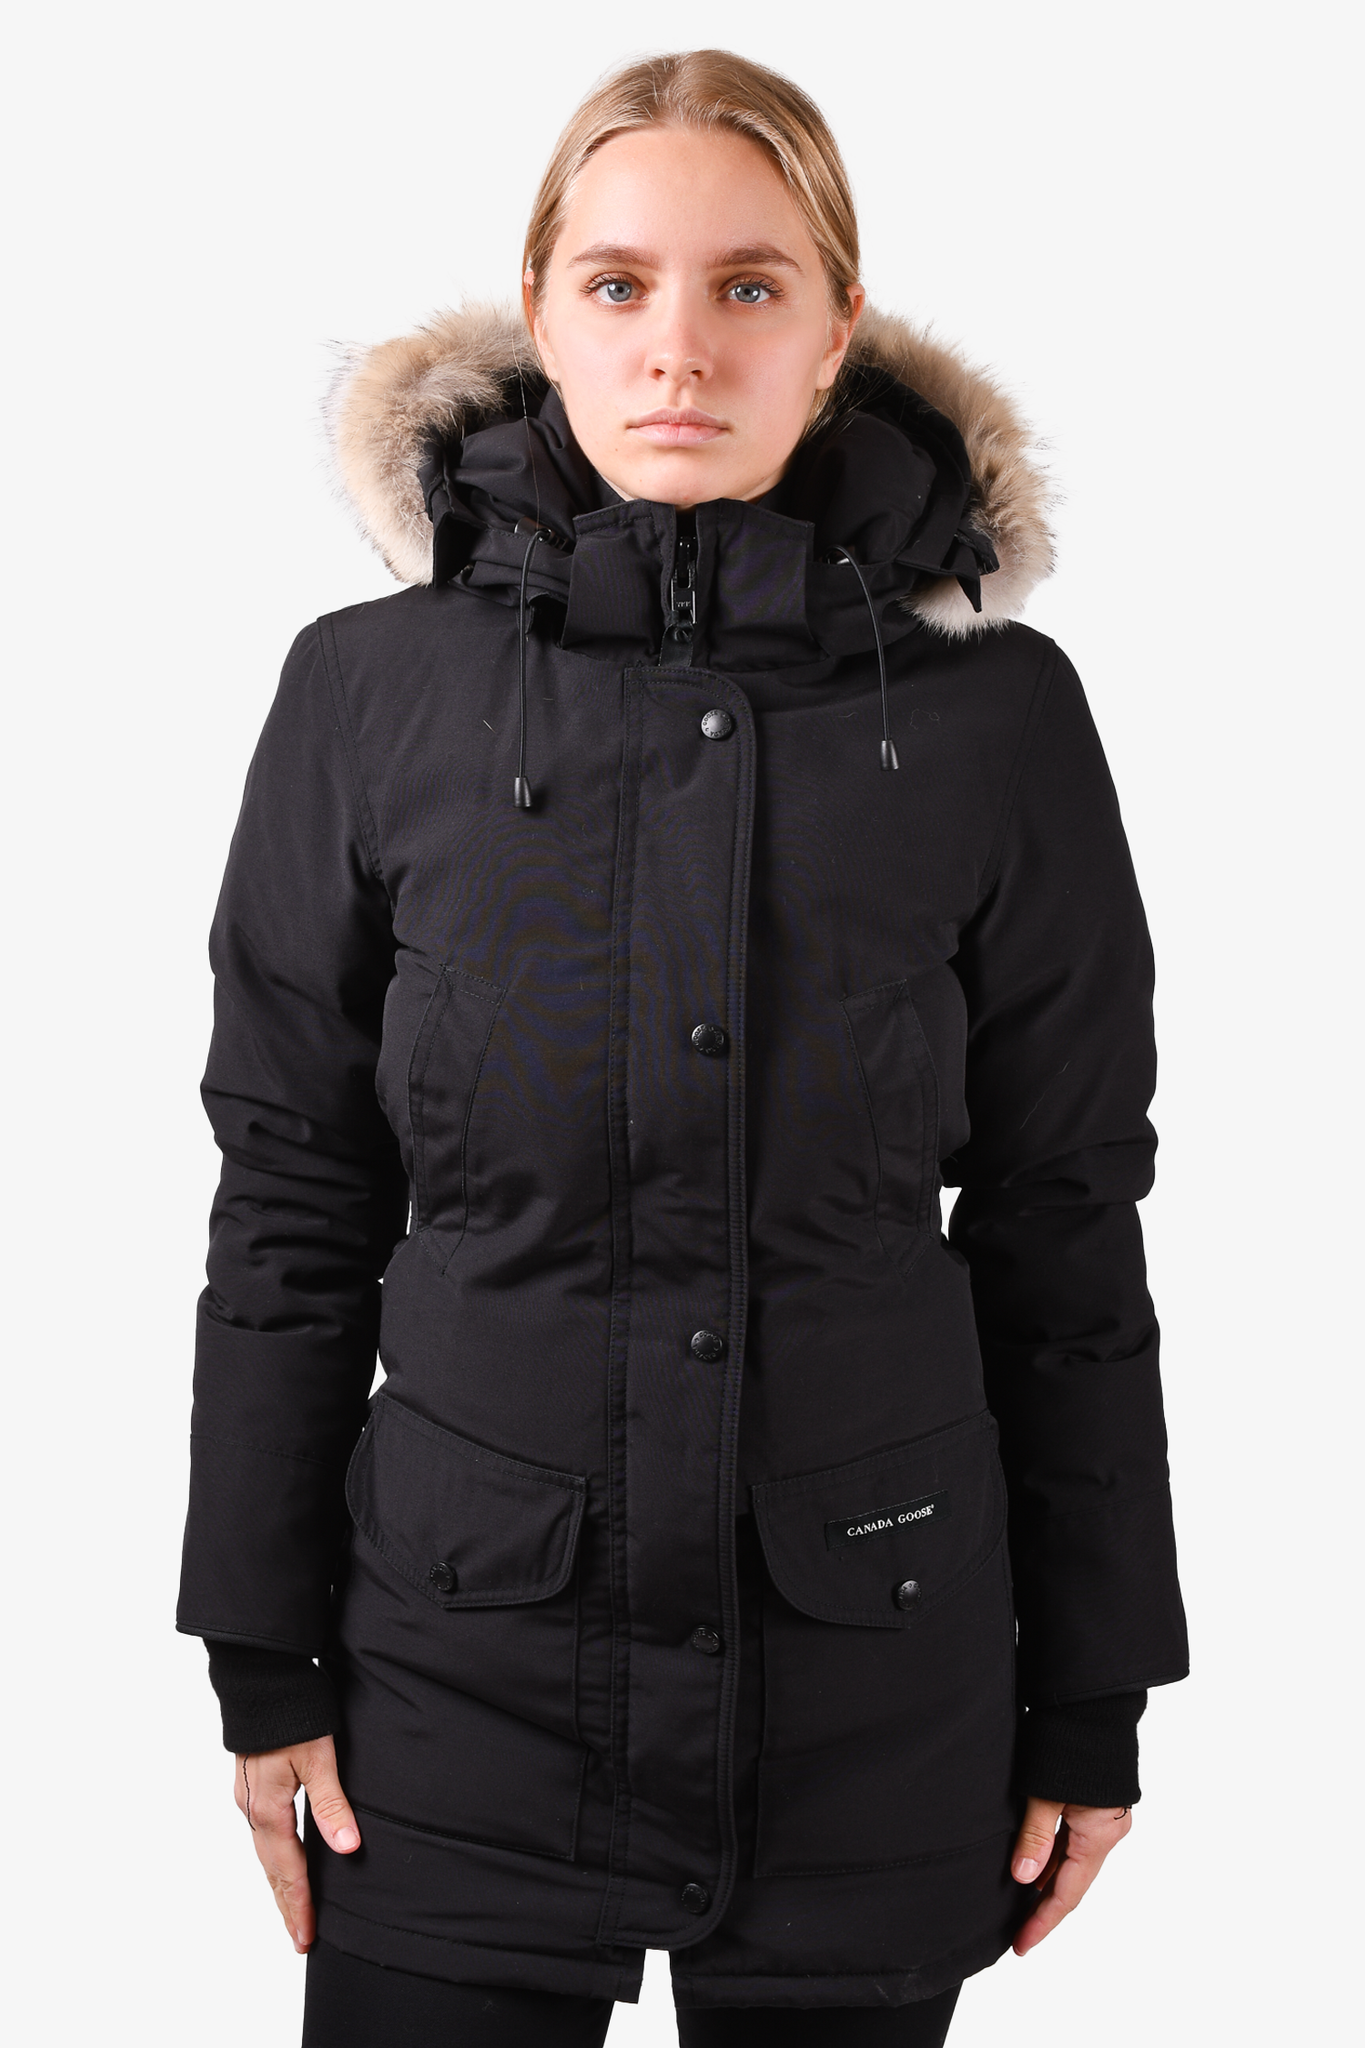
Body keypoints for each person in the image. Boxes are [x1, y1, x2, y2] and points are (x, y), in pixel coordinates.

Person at [177, 48, 1189, 2047]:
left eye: (748, 285)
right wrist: (258, 1650)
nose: (679, 347)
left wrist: (1096, 1684)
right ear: (540, 309)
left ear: (836, 328)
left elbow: (1065, 1216)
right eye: (620, 282)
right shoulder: (368, 695)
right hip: (454, 1674)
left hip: (874, 1663)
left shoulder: (995, 718)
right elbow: (292, 1194)